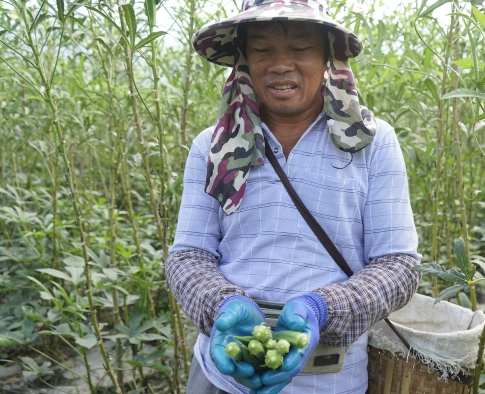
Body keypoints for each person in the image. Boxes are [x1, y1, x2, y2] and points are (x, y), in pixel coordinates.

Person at [166, 1, 421, 393]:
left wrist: (322, 310)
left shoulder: (371, 143)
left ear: (328, 57)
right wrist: (220, 304)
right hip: (223, 376)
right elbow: (188, 256)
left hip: (333, 381)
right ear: (245, 60)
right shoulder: (213, 147)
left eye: (301, 48)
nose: (280, 64)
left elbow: (398, 265)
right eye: (262, 49)